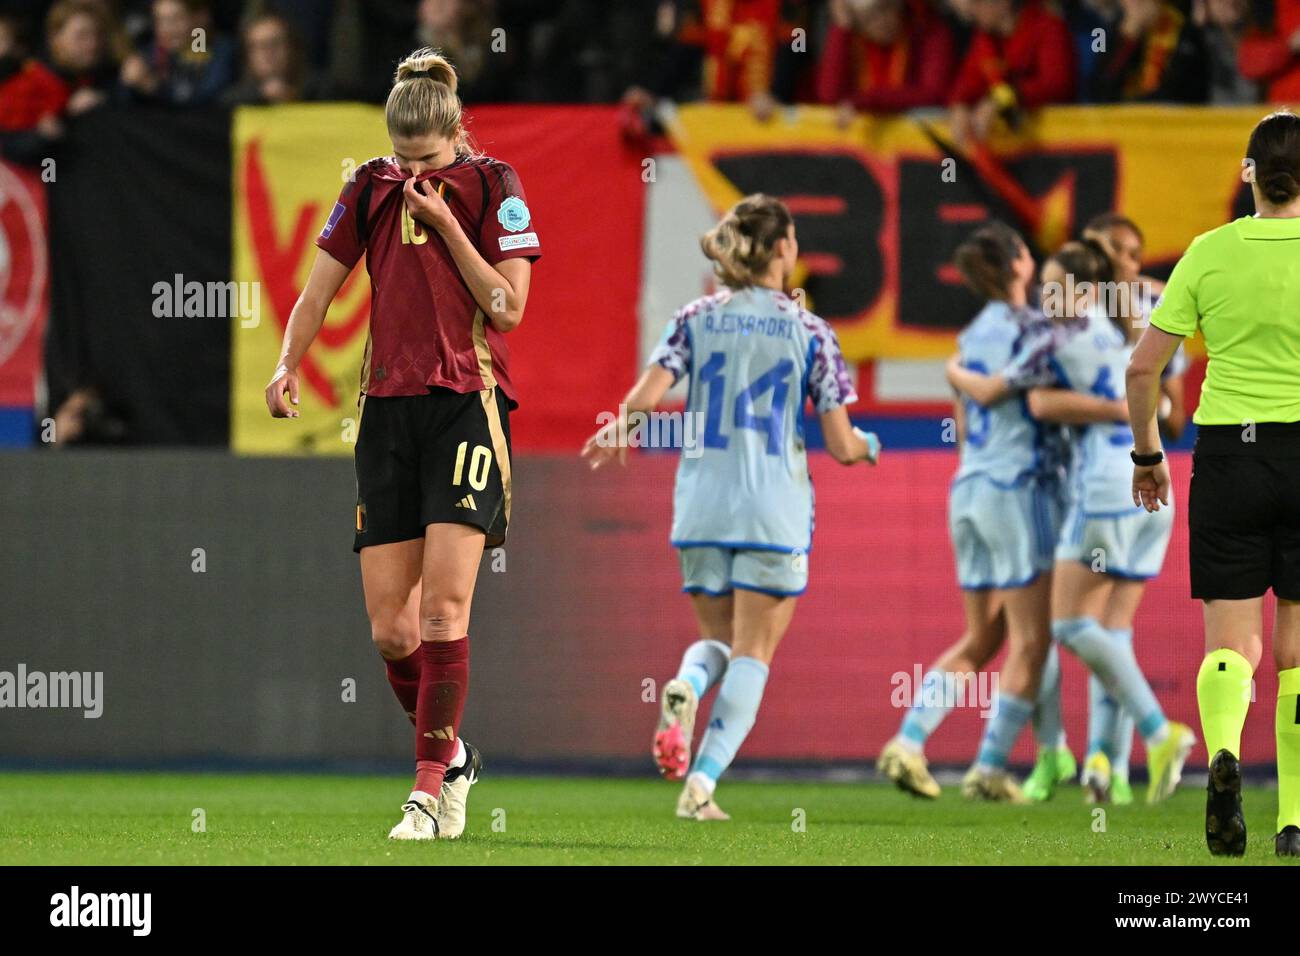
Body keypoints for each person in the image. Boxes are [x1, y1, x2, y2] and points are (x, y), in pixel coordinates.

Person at [265, 48, 541, 841]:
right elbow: (319, 288)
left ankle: (424, 793)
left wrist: (450, 224)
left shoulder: (495, 187)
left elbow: (509, 309)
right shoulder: (370, 187)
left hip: (464, 405)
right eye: (401, 157)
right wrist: (289, 364)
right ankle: (452, 758)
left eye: (425, 158)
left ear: (455, 134)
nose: (411, 170)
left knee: (446, 609)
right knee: (393, 629)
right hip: (386, 410)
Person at [582, 195, 880, 820]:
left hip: (700, 509)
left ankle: (687, 687)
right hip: (772, 510)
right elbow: (840, 442)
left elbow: (645, 394)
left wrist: (619, 430)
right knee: (754, 653)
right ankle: (701, 787)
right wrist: (867, 447)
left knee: (716, 642)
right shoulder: (809, 330)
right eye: (793, 240)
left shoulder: (694, 317)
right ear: (782, 250)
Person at [952, 240, 1197, 804]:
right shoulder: (1134, 328)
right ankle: (1105, 772)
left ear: (1085, 291)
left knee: (1068, 627)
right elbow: (1163, 404)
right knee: (1111, 631)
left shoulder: (1055, 337)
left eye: (1056, 286)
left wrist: (954, 369)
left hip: (1104, 488)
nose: (1045, 296)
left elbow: (1016, 399)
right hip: (1155, 481)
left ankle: (1160, 733)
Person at [1127, 109, 1300, 857]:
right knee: (1297, 650)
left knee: (1234, 644)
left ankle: (1224, 750)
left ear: (1248, 173)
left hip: (1229, 456)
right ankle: (1294, 821)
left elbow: (1142, 368)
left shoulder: (1207, 252)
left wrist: (1147, 455)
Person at [880, 222, 1062, 802]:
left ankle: (909, 741)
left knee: (983, 638)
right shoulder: (1037, 332)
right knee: (1034, 640)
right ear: (1016, 264)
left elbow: (962, 424)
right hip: (1017, 488)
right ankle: (987, 768)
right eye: (1027, 252)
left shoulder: (969, 339)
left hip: (970, 487)